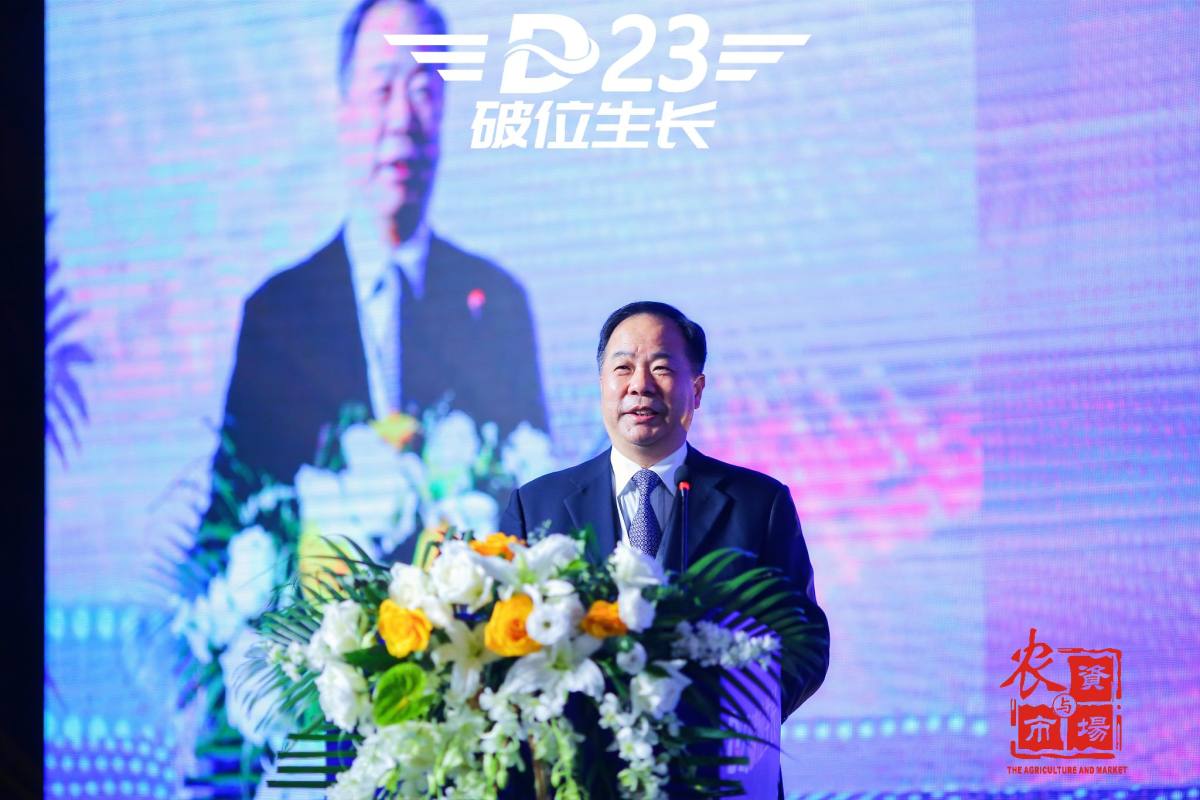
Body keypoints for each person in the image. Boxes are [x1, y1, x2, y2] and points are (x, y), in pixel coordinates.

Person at [205, 0, 547, 536]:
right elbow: (228, 518)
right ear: (344, 110)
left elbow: (536, 498)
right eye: (382, 89)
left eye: (424, 91)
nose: (403, 120)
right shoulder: (278, 314)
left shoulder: (495, 301)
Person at [499, 301, 829, 798]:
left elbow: (804, 642)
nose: (640, 386)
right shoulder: (536, 505)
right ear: (601, 384)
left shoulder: (758, 503)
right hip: (581, 775)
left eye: (661, 368)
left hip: (718, 777)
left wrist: (725, 720)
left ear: (696, 389)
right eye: (623, 368)